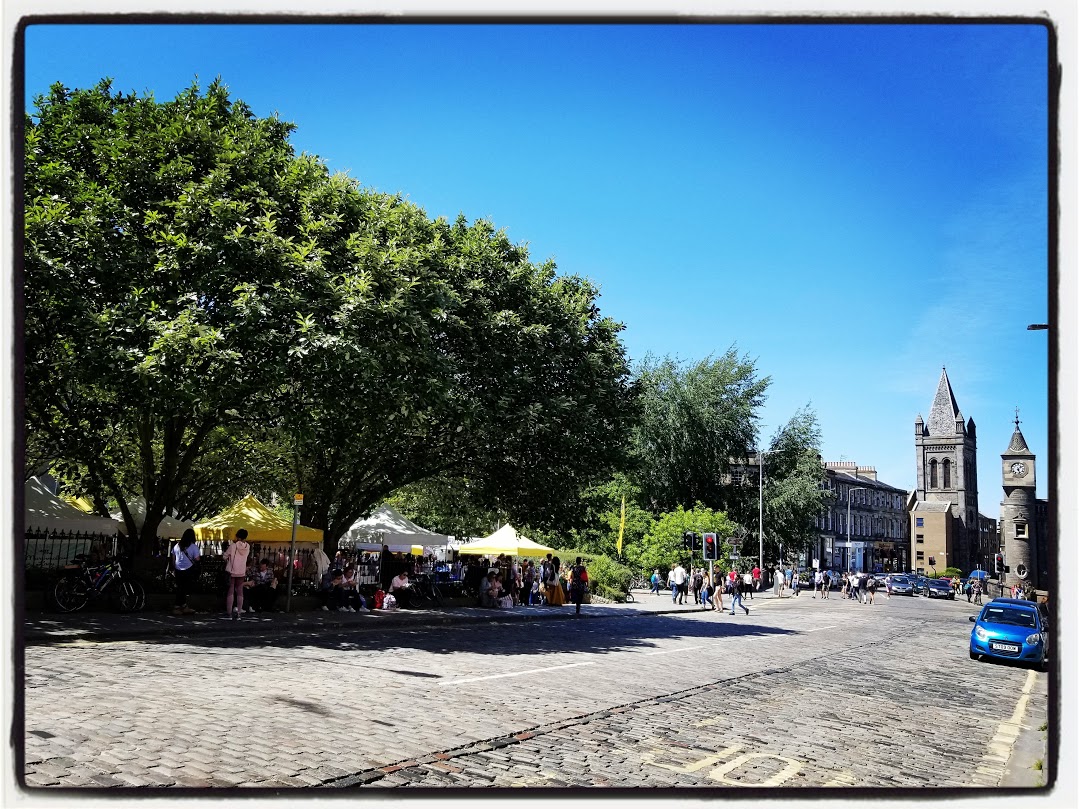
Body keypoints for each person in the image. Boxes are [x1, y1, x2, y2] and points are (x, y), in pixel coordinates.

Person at [222, 528, 251, 620]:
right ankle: (239, 613)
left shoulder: (233, 546)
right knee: (240, 591)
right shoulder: (248, 547)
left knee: (230, 591)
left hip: (231, 571)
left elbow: (224, 556)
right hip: (241, 571)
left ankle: (229, 614)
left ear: (237, 536)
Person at [170, 528, 200, 615]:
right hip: (189, 569)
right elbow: (197, 559)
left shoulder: (177, 546)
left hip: (178, 569)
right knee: (184, 589)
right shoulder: (194, 547)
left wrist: (174, 568)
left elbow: (173, 558)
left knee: (180, 588)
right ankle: (178, 606)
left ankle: (182, 606)